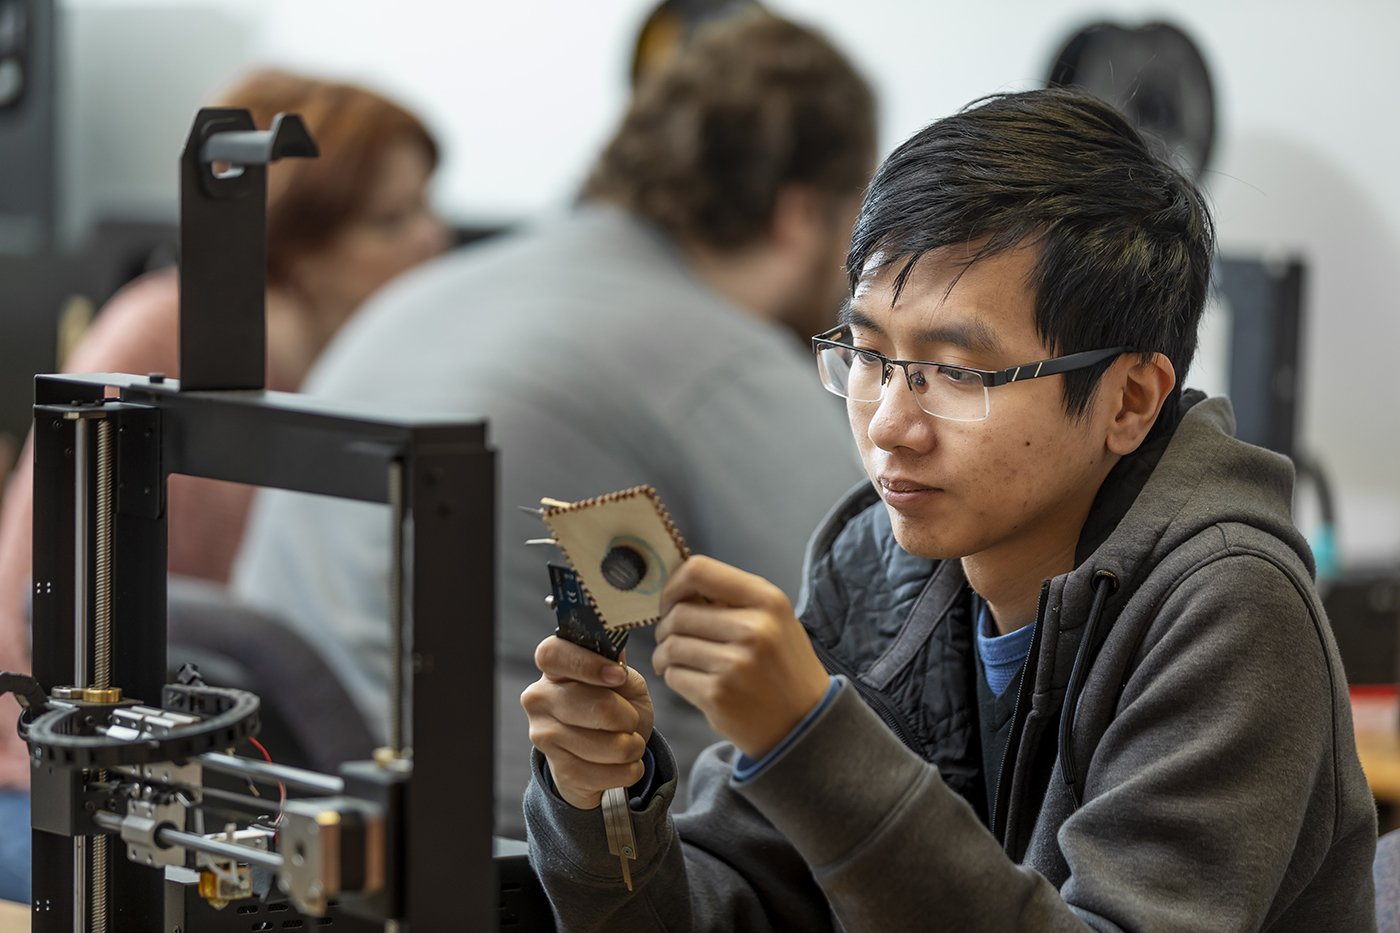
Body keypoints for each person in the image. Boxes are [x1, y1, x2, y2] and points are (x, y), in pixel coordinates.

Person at [521, 88, 1377, 930]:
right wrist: (603, 800)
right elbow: (720, 907)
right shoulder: (878, 561)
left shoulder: (1229, 609)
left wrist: (809, 738)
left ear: (1129, 400)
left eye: (959, 372)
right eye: (866, 354)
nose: (890, 424)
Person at [231, 12, 875, 839]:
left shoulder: (433, 293)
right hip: (507, 847)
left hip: (304, 810)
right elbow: (890, 646)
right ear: (800, 214)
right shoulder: (719, 360)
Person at [0, 69, 446, 902]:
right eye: (392, 220)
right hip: (51, 780)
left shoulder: (364, 362)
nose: (433, 240)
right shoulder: (168, 332)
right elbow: (47, 602)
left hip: (220, 773)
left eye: (427, 207)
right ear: (296, 241)